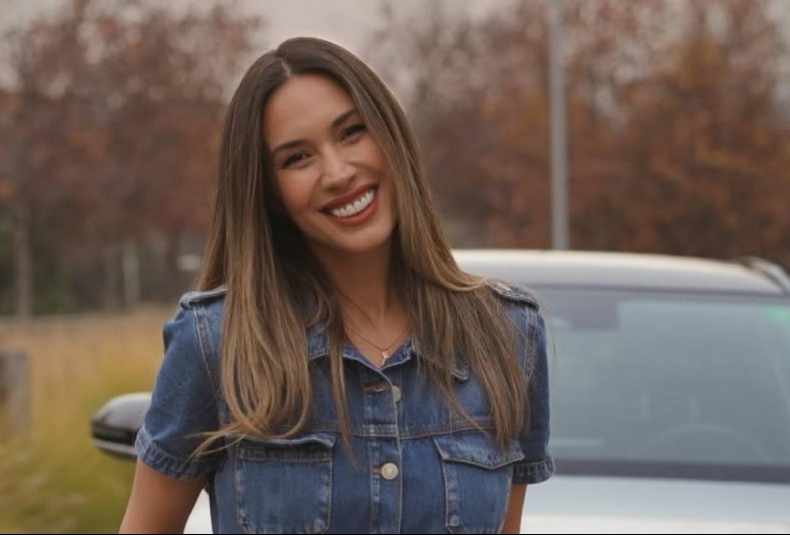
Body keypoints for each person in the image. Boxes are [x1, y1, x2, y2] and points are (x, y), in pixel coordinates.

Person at [120, 36, 553, 534]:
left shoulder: (506, 336)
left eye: (352, 132)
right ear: (270, 193)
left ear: (391, 136)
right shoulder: (217, 343)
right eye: (297, 158)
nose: (338, 172)